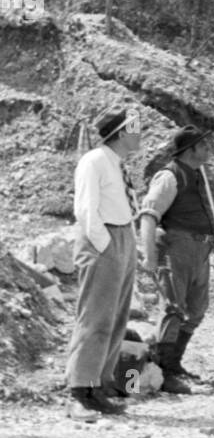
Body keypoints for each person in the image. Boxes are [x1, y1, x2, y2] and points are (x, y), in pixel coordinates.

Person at [66, 108, 142, 418]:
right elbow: (86, 210)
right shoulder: (94, 161)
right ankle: (80, 390)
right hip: (103, 241)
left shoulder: (117, 164)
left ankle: (101, 383)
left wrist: (127, 243)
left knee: (116, 318)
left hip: (122, 237)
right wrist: (107, 245)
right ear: (122, 132)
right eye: (136, 129)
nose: (140, 135)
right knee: (96, 318)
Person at [139, 126, 214, 394]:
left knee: (196, 309)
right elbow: (149, 215)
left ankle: (174, 364)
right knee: (173, 308)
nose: (208, 150)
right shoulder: (169, 177)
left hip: (199, 250)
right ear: (190, 149)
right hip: (176, 248)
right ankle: (163, 370)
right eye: (204, 145)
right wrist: (148, 256)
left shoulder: (195, 176)